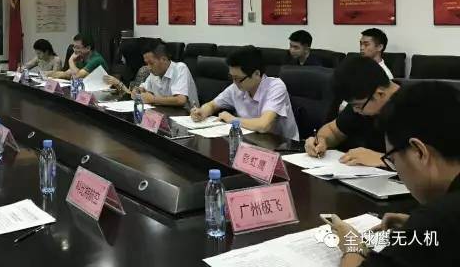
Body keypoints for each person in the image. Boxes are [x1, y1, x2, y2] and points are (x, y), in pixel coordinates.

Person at [326, 82, 460, 266]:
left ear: (419, 152)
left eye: (393, 160)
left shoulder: (438, 219)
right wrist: (414, 225)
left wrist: (352, 245)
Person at [304, 56, 400, 167]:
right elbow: (333, 131)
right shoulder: (363, 100)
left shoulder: (413, 106)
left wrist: (384, 159)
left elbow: (418, 163)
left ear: (380, 94)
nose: (355, 110)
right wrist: (321, 140)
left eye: (358, 106)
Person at [191, 46, 299, 140]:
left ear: (256, 74)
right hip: (251, 140)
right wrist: (202, 111)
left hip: (282, 146)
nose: (234, 82)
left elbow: (264, 125)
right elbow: (213, 105)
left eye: (238, 78)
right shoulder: (236, 86)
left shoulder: (275, 87)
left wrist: (232, 120)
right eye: (232, 77)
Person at [133, 41, 198, 110]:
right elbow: (144, 89)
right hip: (163, 112)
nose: (149, 67)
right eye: (147, 63)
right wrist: (137, 91)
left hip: (187, 114)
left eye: (151, 63)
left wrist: (153, 99)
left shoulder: (180, 68)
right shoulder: (154, 73)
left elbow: (181, 100)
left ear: (164, 59)